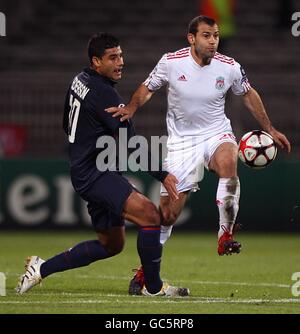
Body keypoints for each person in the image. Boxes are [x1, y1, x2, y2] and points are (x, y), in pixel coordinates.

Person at [106, 16, 291, 295]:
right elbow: (148, 88)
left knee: (229, 161)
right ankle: (146, 272)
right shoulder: (171, 62)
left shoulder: (229, 67)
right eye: (206, 35)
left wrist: (270, 128)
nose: (213, 40)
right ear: (191, 38)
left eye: (215, 35)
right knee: (167, 215)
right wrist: (131, 108)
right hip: (181, 144)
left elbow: (248, 94)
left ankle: (225, 233)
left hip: (216, 133)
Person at [16, 32, 189, 297]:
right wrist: (163, 174)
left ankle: (41, 267)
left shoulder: (80, 79)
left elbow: (66, 123)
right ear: (96, 61)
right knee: (151, 216)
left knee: (111, 245)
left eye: (120, 55)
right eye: (112, 57)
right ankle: (153, 288)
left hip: (89, 168)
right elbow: (132, 145)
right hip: (96, 172)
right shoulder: (104, 93)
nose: (120, 62)